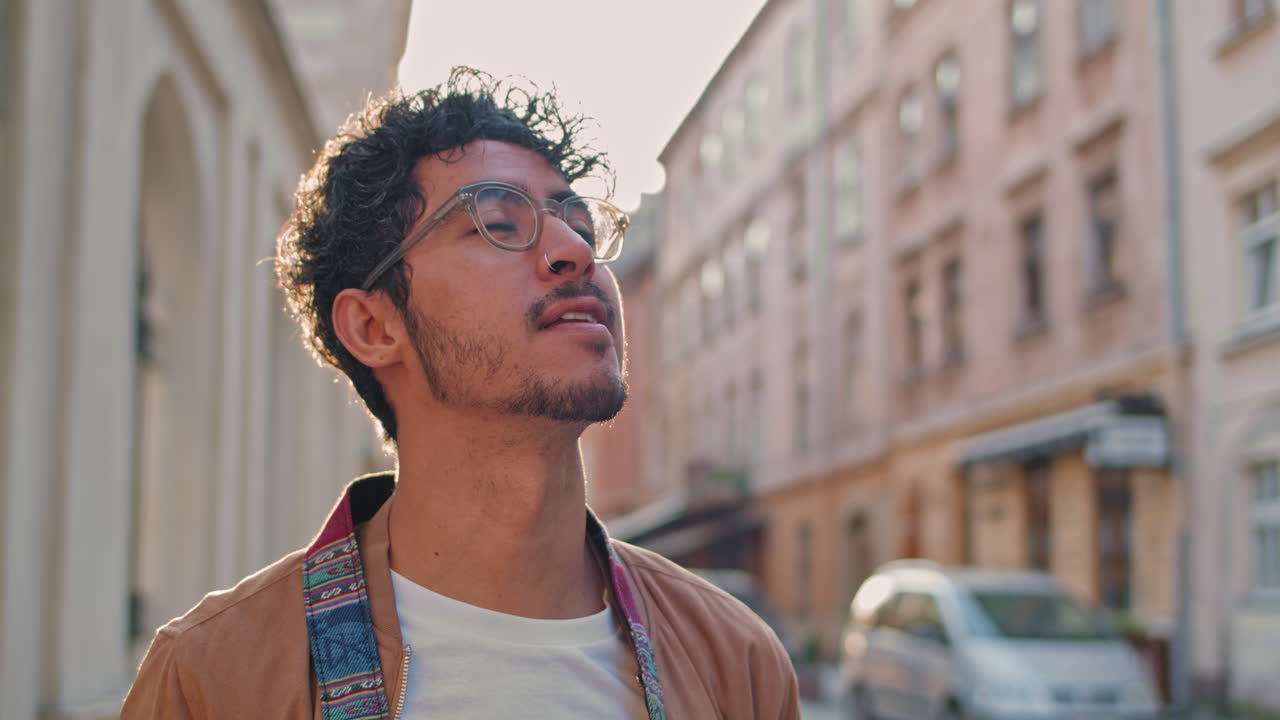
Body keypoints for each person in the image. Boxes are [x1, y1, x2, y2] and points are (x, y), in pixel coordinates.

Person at [122, 68, 800, 719]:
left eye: (582, 226)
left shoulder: (732, 663)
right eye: (498, 225)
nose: (575, 252)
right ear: (374, 325)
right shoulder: (217, 678)